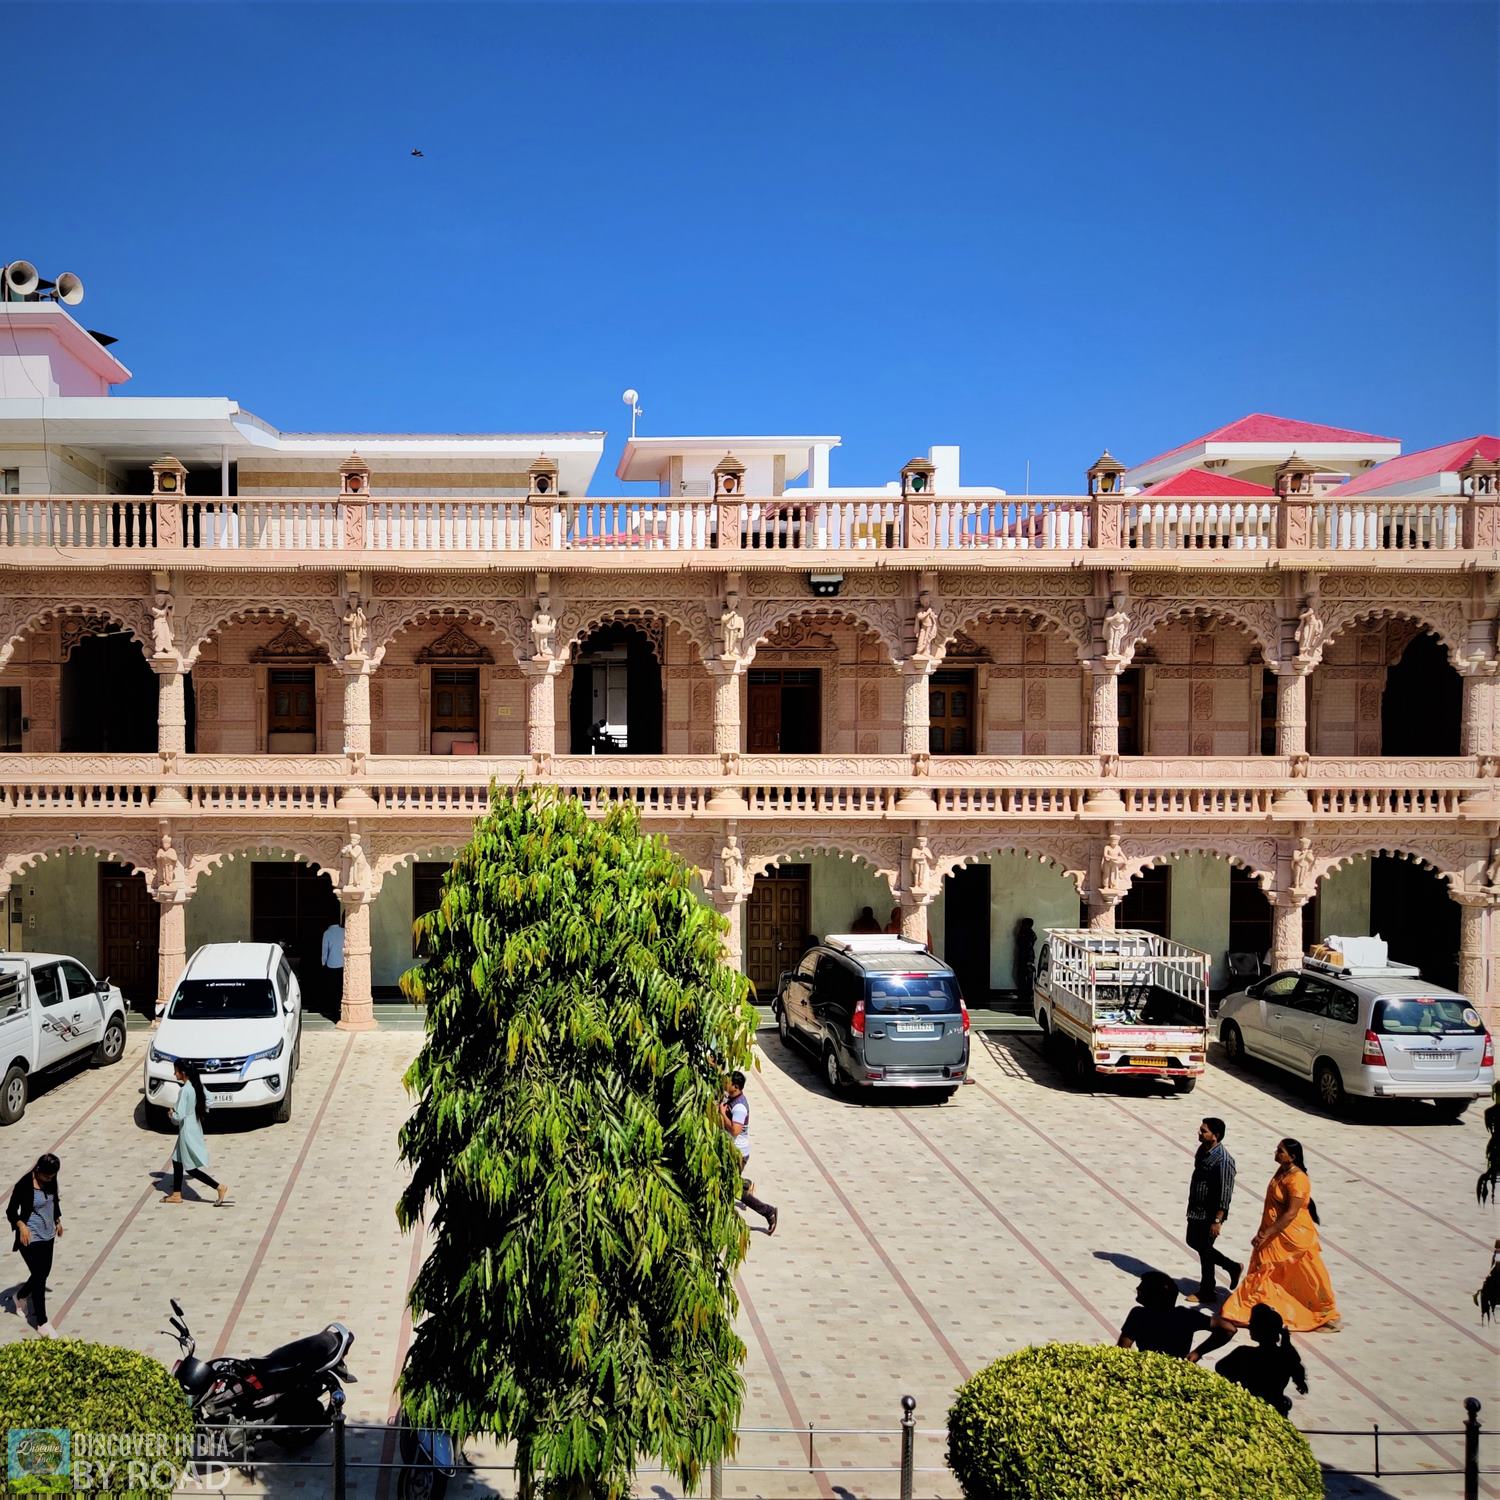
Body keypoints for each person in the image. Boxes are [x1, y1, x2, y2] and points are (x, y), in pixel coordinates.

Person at [1219, 1138, 1340, 1332]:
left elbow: (1291, 1213)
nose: (1276, 1153)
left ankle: (1322, 1311)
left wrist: (1267, 1232)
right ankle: (1251, 1308)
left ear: (1292, 1157)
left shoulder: (1298, 1179)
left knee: (1301, 1272)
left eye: (1280, 1151)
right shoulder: (1283, 1172)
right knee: (1265, 1272)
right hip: (1273, 1232)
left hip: (1291, 1236)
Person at [1210, 1303, 1309, 1417]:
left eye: (1252, 1323)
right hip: (1276, 1410)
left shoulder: (1243, 1353)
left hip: (1246, 1410)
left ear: (1259, 1329)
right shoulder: (1287, 1355)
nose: (1249, 1326)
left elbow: (1220, 1367)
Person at [1186, 1118, 1242, 1303]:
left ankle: (1208, 1289)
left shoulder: (1224, 1160)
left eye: (1204, 1131)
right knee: (1195, 1242)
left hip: (1210, 1213)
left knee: (1204, 1248)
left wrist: (1217, 1220)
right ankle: (1231, 1267)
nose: (1199, 1133)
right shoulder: (1203, 1150)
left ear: (1215, 1136)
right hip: (1196, 1209)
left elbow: (1226, 1192)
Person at [6, 1153, 63, 1337]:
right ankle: (42, 1322)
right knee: (39, 1277)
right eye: (47, 1176)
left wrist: (57, 1220)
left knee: (43, 1273)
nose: (51, 1179)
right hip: (30, 1237)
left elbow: (54, 1200)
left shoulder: (51, 1179)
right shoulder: (24, 1185)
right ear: (38, 1170)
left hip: (48, 1234)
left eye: (53, 1176)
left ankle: (20, 1296)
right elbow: (11, 1210)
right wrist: (21, 1225)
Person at [1116, 1271, 1229, 1359]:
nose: (1138, 1288)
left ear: (1154, 1295)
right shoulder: (1186, 1316)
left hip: (1147, 1371)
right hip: (1175, 1373)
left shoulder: (1139, 1315)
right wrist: (1198, 1352)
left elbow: (1121, 1350)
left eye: (1143, 1287)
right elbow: (1229, 1328)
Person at [162, 1061, 229, 1206]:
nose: (175, 1074)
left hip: (186, 1131)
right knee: (176, 1160)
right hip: (194, 1127)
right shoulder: (197, 1086)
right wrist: (198, 1109)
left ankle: (219, 1187)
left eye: (176, 1071)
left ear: (183, 1073)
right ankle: (177, 1194)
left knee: (191, 1168)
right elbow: (209, 1100)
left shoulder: (185, 1090)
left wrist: (171, 1114)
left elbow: (179, 1116)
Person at [720, 1071, 777, 1236]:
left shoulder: (739, 1107)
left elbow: (735, 1130)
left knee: (733, 1190)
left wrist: (722, 1114)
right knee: (729, 1184)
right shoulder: (731, 1098)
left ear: (736, 1087)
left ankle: (768, 1211)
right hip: (730, 1151)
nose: (725, 1084)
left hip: (737, 1154)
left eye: (728, 1083)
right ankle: (745, 1183)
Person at [1014, 917, 1037, 1005]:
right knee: (1023, 975)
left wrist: (1029, 960)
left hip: (1026, 957)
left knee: (1026, 976)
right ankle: (1024, 992)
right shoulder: (1026, 933)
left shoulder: (1027, 934)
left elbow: (1027, 946)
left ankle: (1025, 993)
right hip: (1025, 957)